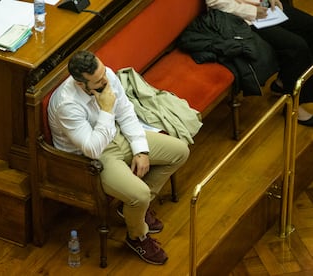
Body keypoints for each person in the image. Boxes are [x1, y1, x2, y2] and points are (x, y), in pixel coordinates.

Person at [48, 50, 190, 265]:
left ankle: (132, 211)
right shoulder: (66, 104)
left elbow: (125, 112)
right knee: (139, 194)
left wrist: (140, 150)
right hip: (91, 160)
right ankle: (137, 236)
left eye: (104, 72)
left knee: (180, 151)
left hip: (116, 135)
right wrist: (106, 109)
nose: (105, 80)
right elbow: (92, 149)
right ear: (80, 84)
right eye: (97, 81)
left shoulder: (106, 76)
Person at [205, 0, 313, 126]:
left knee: (310, 28)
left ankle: (283, 82)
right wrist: (252, 11)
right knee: (296, 46)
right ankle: (293, 105)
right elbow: (214, 2)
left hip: (262, 6)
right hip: (238, 17)